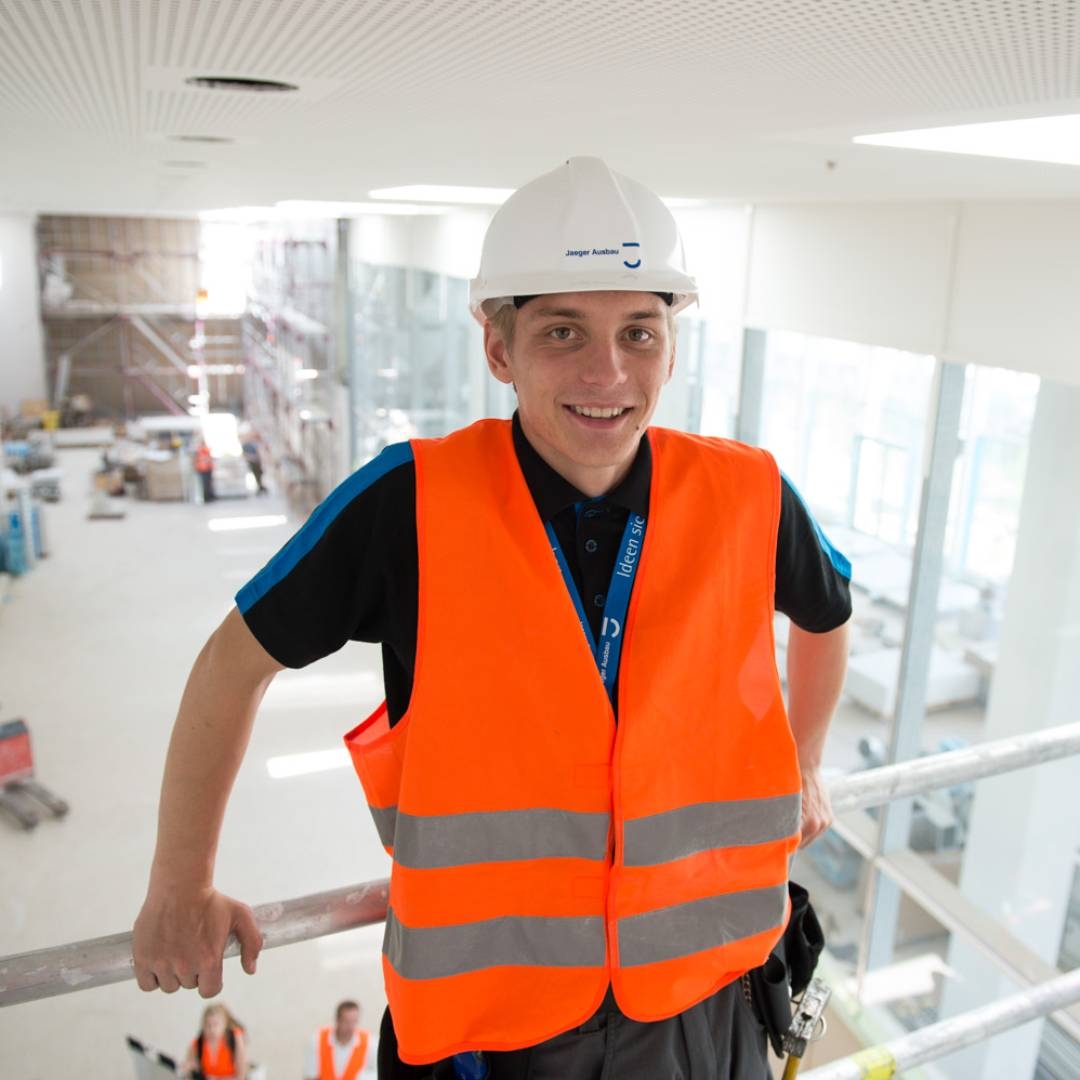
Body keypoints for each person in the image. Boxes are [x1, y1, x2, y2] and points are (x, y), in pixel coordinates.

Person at [133, 157, 851, 1080]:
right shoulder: (410, 503)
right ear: (499, 350)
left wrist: (807, 761)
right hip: (489, 1031)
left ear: (671, 349)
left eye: (639, 332)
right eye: (563, 331)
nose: (608, 371)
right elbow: (231, 666)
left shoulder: (749, 495)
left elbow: (828, 611)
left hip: (701, 1001)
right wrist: (179, 884)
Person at [305, 1001, 378, 1080]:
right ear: (337, 1020)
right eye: (346, 1022)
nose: (350, 1027)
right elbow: (310, 1076)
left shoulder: (370, 1043)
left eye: (354, 1022)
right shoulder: (318, 1040)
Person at [180, 1002, 247, 1079]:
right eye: (208, 1025)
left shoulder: (234, 1040)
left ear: (225, 1025)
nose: (212, 1030)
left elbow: (240, 1077)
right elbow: (191, 1071)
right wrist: (189, 1069)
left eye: (216, 1024)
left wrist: (216, 1079)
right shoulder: (198, 1044)